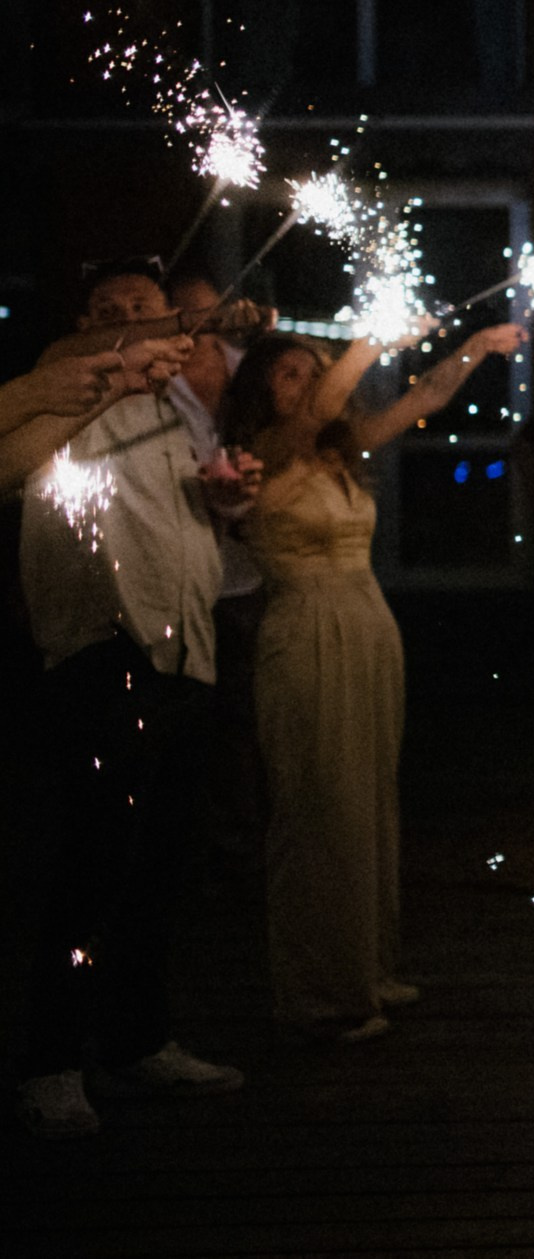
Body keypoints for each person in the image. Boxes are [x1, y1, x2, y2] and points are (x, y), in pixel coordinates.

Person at [222, 317, 525, 1040]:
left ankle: (365, 967)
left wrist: (476, 348)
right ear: (260, 391)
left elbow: (424, 397)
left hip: (366, 626)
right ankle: (317, 992)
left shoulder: (338, 451)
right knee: (318, 804)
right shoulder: (257, 455)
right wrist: (369, 339)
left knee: (367, 798)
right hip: (305, 631)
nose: (307, 384)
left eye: (311, 368)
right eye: (289, 373)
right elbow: (324, 408)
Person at [13, 261, 251, 1140]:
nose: (127, 323)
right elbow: (70, 353)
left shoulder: (175, 411)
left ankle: (137, 1040)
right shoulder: (63, 392)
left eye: (142, 309)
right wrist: (145, 332)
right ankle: (50, 1061)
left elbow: (187, 517)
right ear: (88, 324)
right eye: (110, 312)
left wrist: (227, 499)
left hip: (184, 648)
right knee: (93, 861)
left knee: (160, 861)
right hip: (104, 646)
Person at [161, 271, 270, 890]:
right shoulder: (155, 380)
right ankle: (200, 841)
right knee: (197, 714)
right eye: (191, 313)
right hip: (184, 568)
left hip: (242, 570)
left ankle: (244, 839)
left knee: (245, 714)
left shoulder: (242, 364)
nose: (205, 322)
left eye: (213, 310)